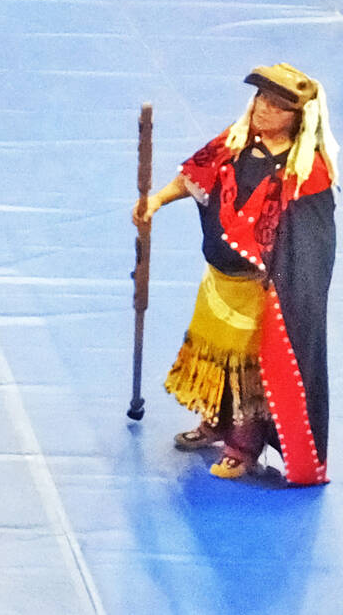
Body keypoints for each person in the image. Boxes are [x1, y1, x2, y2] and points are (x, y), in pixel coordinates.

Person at [136, 63, 334, 485]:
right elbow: (194, 177)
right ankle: (215, 424)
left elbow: (310, 245)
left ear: (297, 118)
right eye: (261, 99)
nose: (263, 110)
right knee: (212, 358)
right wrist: (154, 201)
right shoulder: (235, 143)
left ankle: (242, 446)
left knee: (247, 372)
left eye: (277, 106)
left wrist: (283, 284)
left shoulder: (307, 172)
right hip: (218, 281)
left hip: (259, 290)